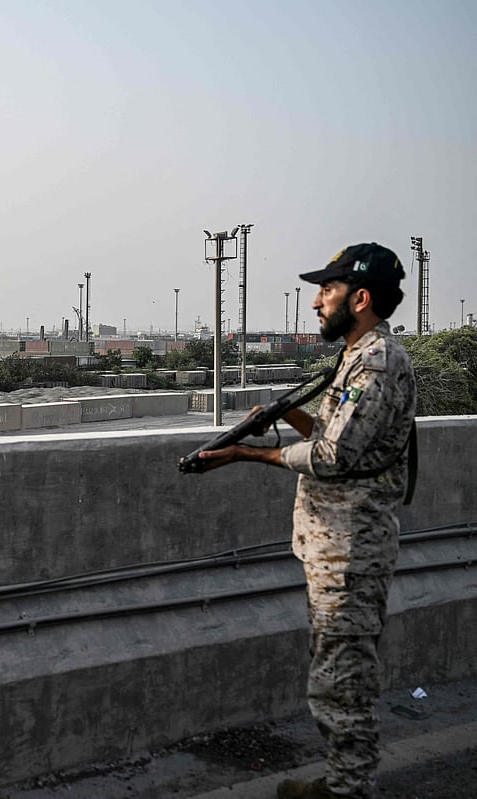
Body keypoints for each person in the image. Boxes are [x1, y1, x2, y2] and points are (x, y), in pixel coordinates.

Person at [197, 243, 416, 799]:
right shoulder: (357, 356)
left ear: (360, 298)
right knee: (335, 676)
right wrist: (281, 415)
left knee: (343, 687)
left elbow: (332, 457)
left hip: (351, 552)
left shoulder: (377, 363)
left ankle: (348, 790)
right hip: (336, 549)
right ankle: (341, 784)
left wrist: (246, 454)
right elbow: (336, 433)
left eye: (328, 290)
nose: (316, 302)